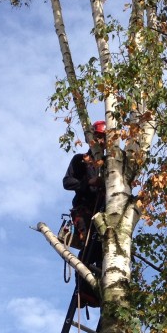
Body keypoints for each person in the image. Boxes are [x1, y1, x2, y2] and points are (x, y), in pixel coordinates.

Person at [62, 121, 106, 307]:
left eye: (104, 138)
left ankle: (98, 289)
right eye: (98, 137)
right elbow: (67, 182)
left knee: (104, 251)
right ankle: (83, 290)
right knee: (88, 245)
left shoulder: (111, 165)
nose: (101, 141)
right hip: (84, 209)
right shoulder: (80, 160)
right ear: (92, 139)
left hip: (104, 212)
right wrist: (88, 183)